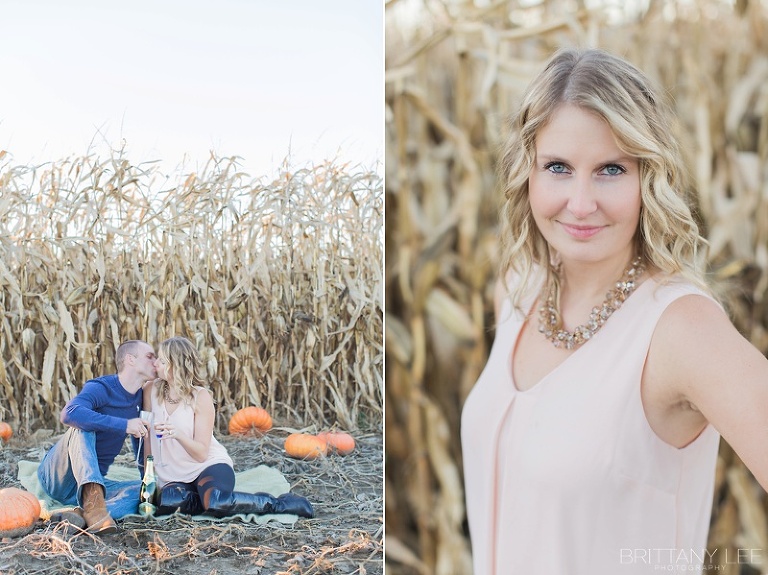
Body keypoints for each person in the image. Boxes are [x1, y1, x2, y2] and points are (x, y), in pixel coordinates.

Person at [460, 47, 768, 574]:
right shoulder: (517, 290)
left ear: (649, 177)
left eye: (610, 169)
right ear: (526, 173)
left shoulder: (680, 329)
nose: (580, 203)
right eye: (558, 167)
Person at [143, 336, 313, 519]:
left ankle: (280, 504)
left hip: (208, 466)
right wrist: (148, 475)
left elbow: (201, 454)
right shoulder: (150, 390)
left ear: (175, 365)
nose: (156, 364)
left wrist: (178, 434)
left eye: (162, 360)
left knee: (217, 502)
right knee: (168, 501)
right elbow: (147, 438)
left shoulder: (200, 398)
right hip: (173, 474)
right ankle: (204, 500)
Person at [38, 340, 157, 534]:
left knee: (150, 494)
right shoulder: (103, 387)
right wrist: (124, 425)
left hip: (97, 483)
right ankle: (94, 509)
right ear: (131, 360)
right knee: (83, 426)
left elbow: (141, 444)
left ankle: (78, 513)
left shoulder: (139, 398)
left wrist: (148, 481)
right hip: (59, 476)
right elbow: (69, 413)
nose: (155, 361)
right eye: (149, 356)